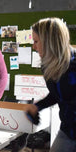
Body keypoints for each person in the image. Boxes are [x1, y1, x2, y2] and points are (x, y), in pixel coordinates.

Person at [24, 17, 76, 152]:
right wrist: (38, 106)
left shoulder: (73, 67)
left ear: (49, 42)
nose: (34, 47)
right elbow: (59, 95)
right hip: (67, 130)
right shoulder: (49, 66)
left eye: (36, 41)